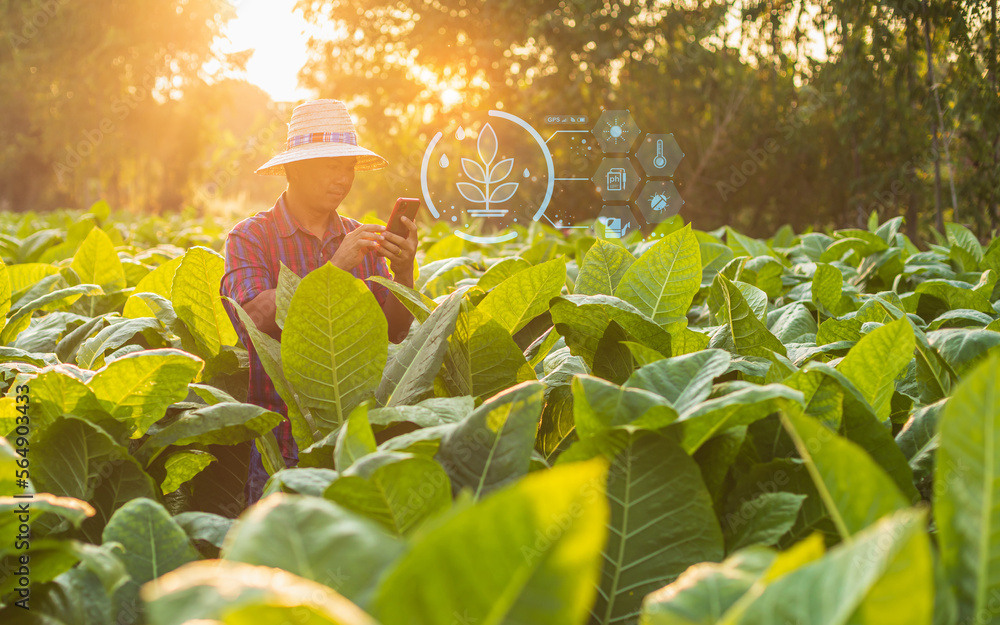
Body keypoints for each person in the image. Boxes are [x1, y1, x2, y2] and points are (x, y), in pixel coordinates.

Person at [220, 99, 417, 506]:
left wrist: (405, 273)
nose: (343, 179)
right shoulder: (250, 237)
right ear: (294, 168)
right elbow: (252, 317)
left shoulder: (360, 236)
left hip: (353, 445)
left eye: (349, 168)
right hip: (282, 446)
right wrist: (336, 269)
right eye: (331, 165)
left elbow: (394, 332)